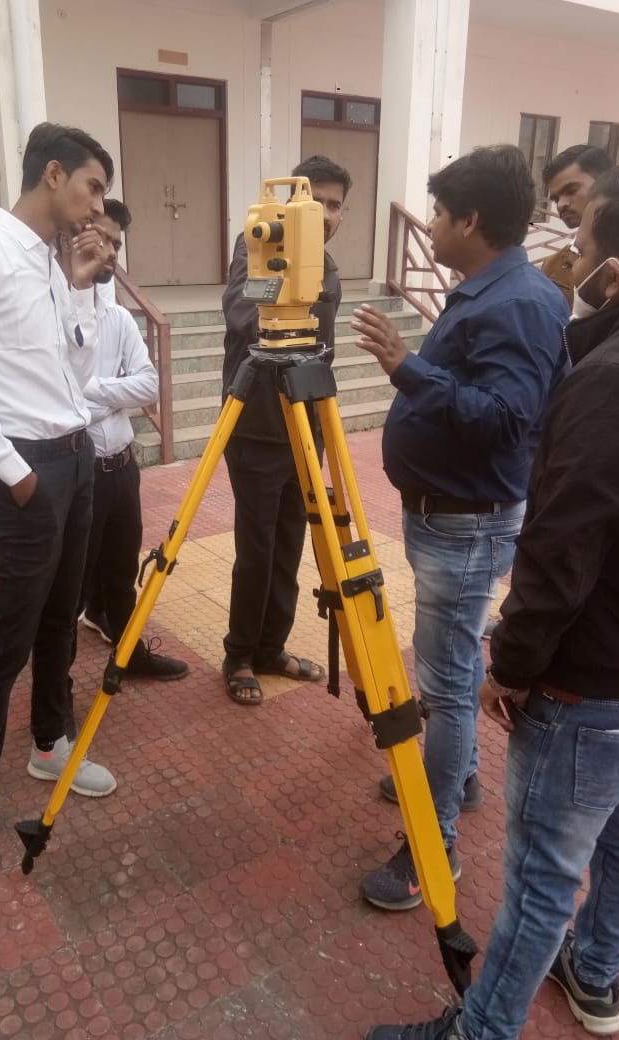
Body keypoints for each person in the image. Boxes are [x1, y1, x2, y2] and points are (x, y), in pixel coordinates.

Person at [363, 161, 619, 1040]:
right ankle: (593, 972)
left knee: (535, 857)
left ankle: (439, 856)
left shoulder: (596, 362)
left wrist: (513, 665)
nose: (571, 260)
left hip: (581, 657)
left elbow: (557, 529)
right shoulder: (539, 314)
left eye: (583, 244)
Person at [351, 145, 570, 910]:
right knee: (452, 666)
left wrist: (407, 368)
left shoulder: (518, 303)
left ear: (471, 220)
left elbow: (508, 421)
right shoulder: (493, 290)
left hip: (465, 527)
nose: (432, 224)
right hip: (452, 520)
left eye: (441, 213)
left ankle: (431, 844)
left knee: (444, 689)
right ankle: (460, 775)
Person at [0, 122, 117, 879]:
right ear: (53, 174)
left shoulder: (49, 261)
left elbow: (72, 372)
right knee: (9, 637)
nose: (98, 206)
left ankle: (49, 743)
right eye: (93, 187)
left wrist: (81, 285)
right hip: (27, 471)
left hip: (76, 458)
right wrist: (16, 474)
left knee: (60, 620)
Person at [220, 155, 351, 705]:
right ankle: (239, 655)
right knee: (256, 551)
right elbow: (242, 314)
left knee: (290, 546)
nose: (327, 214)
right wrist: (288, 289)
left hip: (305, 428)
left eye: (336, 205)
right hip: (255, 428)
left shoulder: (329, 269)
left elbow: (321, 348)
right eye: (317, 201)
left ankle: (271, 647)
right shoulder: (256, 246)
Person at [59, 198, 188, 680]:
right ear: (74, 235)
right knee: (71, 583)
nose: (111, 252)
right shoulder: (53, 310)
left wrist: (93, 392)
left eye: (116, 243)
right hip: (79, 471)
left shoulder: (117, 319)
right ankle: (58, 686)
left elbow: (149, 386)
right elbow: (61, 398)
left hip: (121, 468)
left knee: (120, 570)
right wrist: (114, 392)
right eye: (103, 239)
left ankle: (129, 652)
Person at [541, 144, 613, 305]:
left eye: (571, 190)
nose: (561, 204)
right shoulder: (552, 267)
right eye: (555, 199)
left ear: (605, 183)